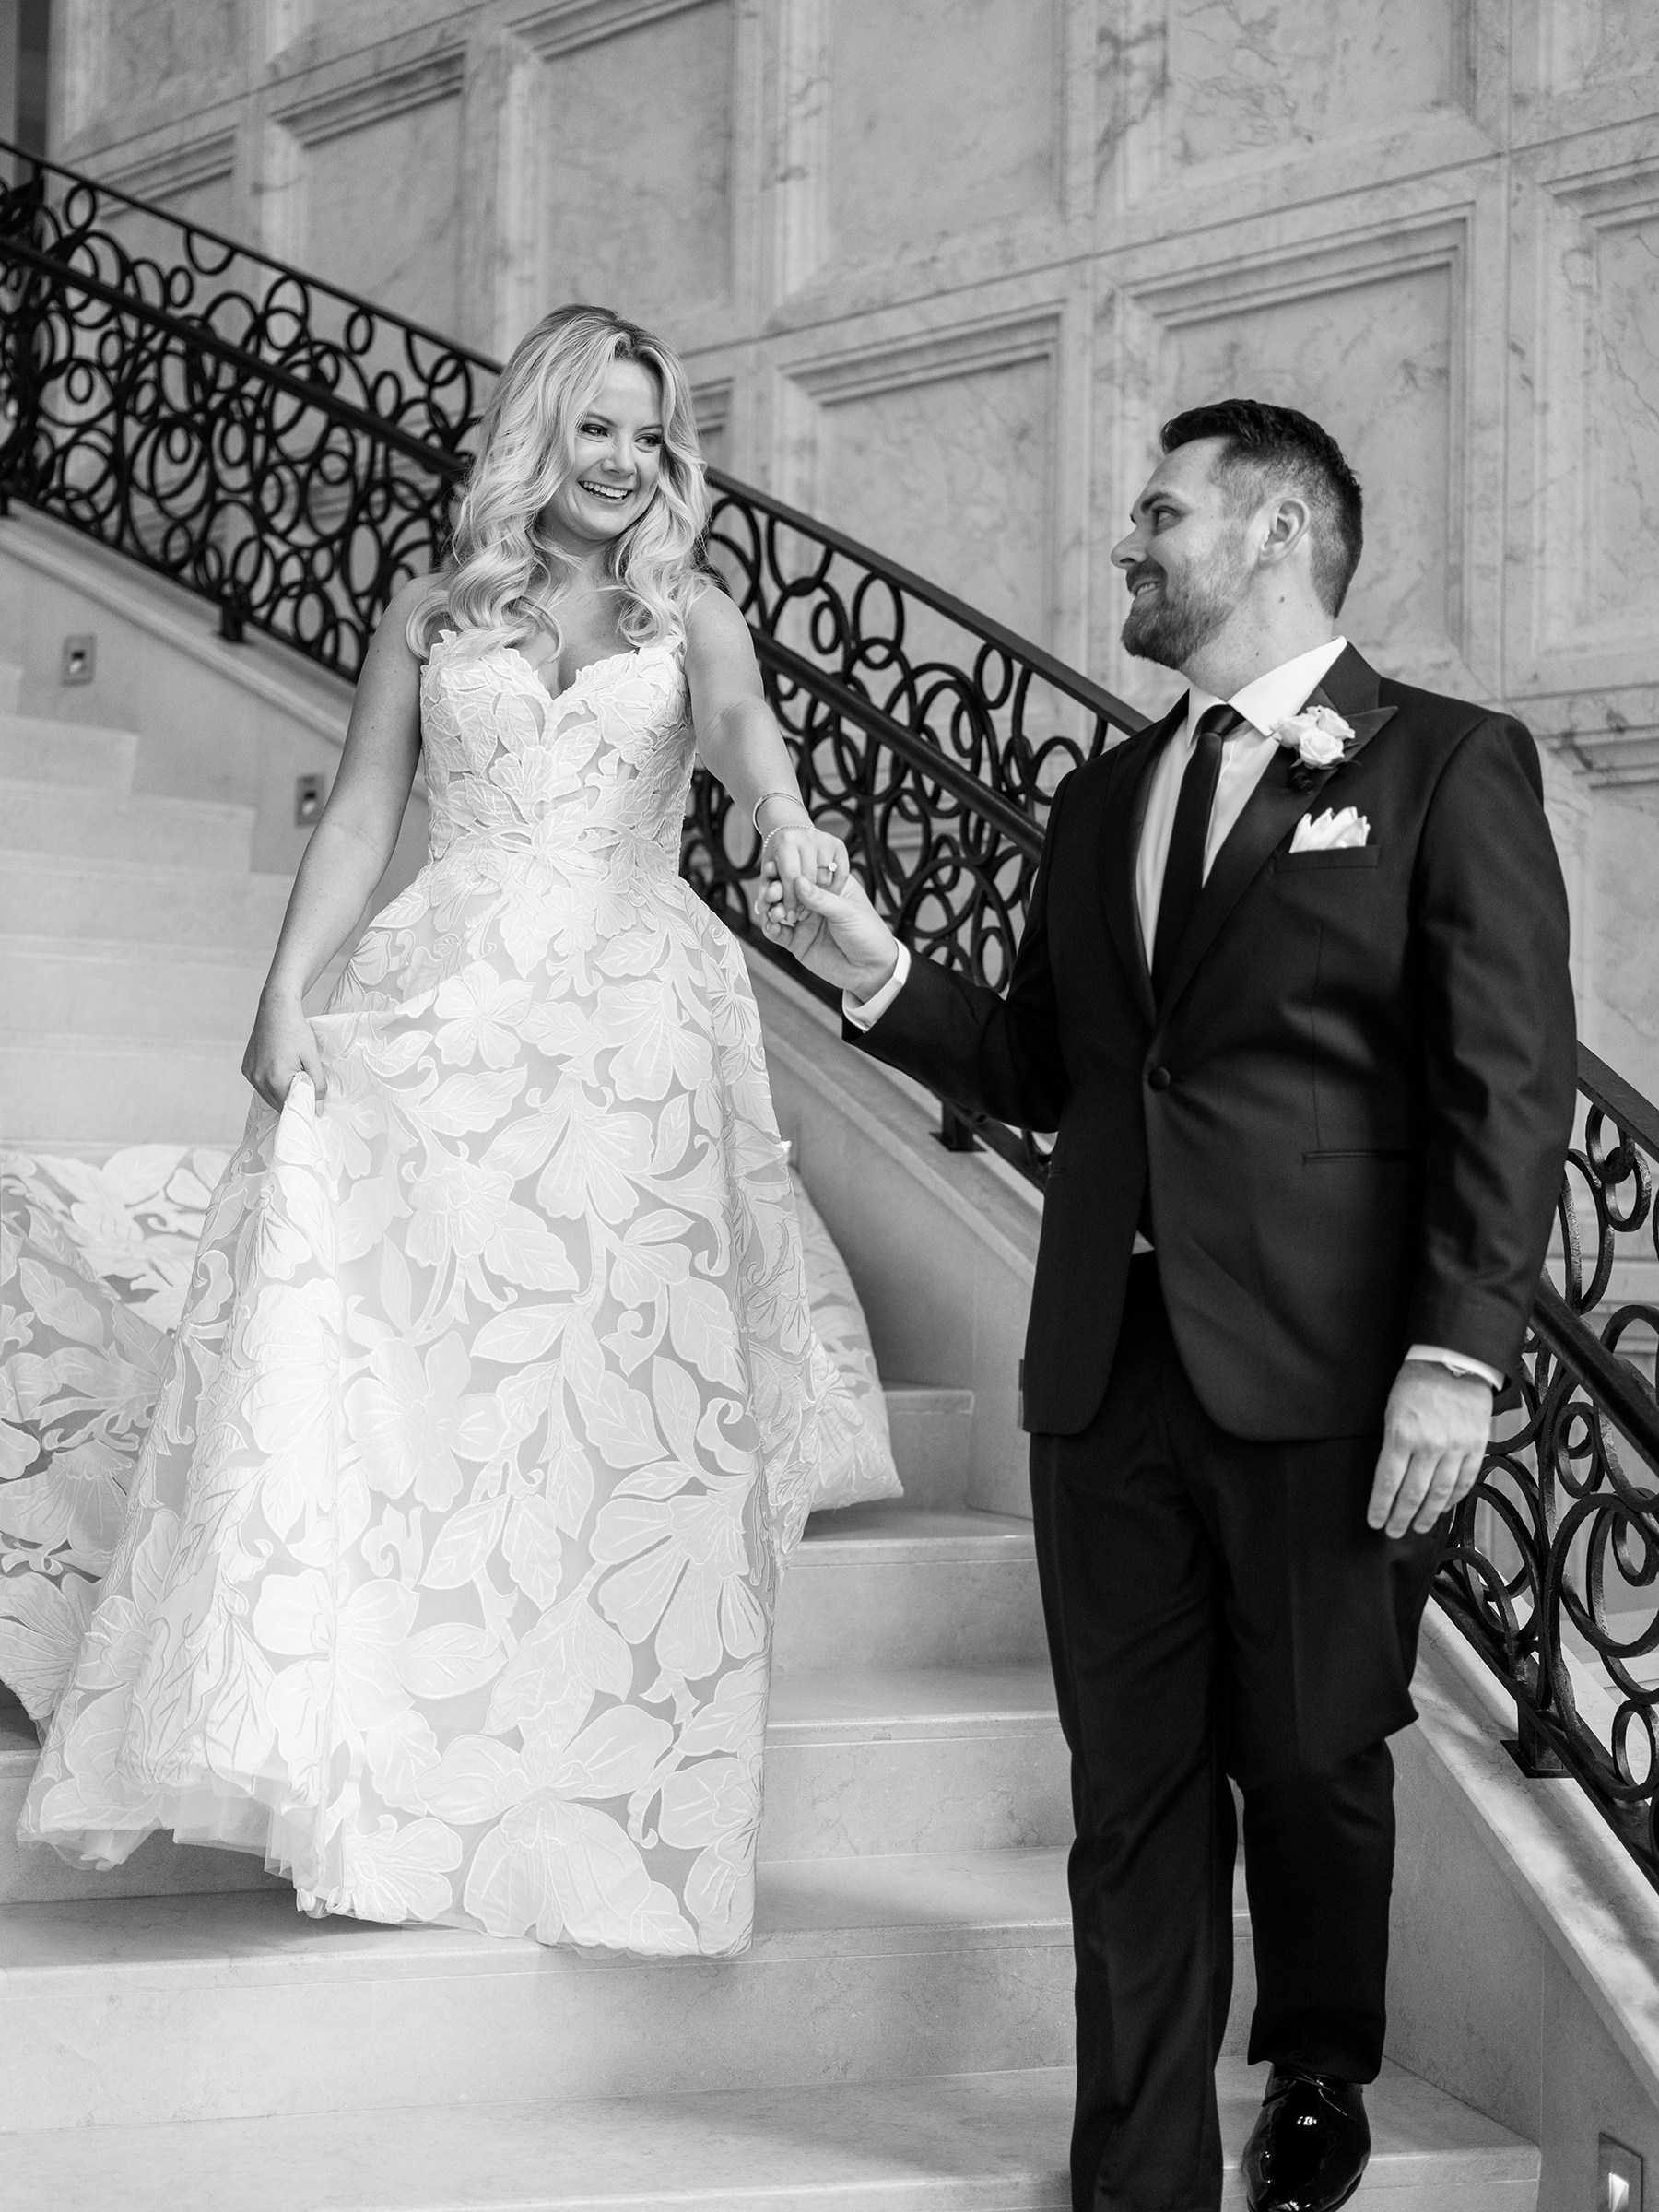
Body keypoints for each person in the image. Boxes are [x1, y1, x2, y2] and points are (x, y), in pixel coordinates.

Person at [759, 399, 1577, 2210]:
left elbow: (1505, 1085)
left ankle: (1315, 2075)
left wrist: (1459, 1353)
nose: (1127, 543)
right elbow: (1050, 1063)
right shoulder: (1102, 796)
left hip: (1333, 1372)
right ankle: (1136, 2168)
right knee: (1129, 1791)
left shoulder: (1444, 764)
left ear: (1279, 532)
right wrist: (874, 969)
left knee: (1310, 1754)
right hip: (1102, 1371)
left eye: (1162, 513)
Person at [18, 303, 867, 1959]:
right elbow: (362, 814)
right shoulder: (435, 611)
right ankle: (387, 1765)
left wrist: (791, 831)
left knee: (604, 1400)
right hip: (441, 1006)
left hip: (623, 1031)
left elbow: (757, 751)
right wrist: (286, 990)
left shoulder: (691, 615)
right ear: (540, 435)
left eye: (649, 433)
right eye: (598, 429)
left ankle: (583, 1787)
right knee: (427, 1391)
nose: (625, 461)